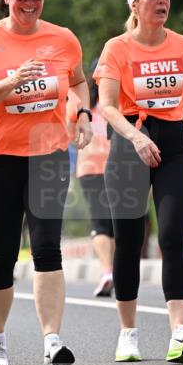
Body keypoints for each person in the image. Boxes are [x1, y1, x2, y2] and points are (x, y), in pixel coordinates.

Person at [0, 0, 92, 365]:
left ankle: (52, 341)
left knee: (47, 248)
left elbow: (77, 81)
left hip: (48, 155)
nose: (30, 3)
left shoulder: (63, 38)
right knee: (2, 254)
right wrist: (13, 81)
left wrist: (82, 112)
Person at [94, 0, 183, 364]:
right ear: (134, 5)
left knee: (173, 237)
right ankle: (128, 334)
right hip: (131, 143)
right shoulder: (117, 48)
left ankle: (180, 332)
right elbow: (107, 105)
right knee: (129, 240)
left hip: (174, 145)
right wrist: (136, 138)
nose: (162, 2)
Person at [68, 65, 115, 297]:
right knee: (116, 223)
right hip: (118, 168)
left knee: (100, 223)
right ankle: (111, 271)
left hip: (89, 168)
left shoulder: (81, 105)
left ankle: (107, 271)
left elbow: (68, 132)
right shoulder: (115, 104)